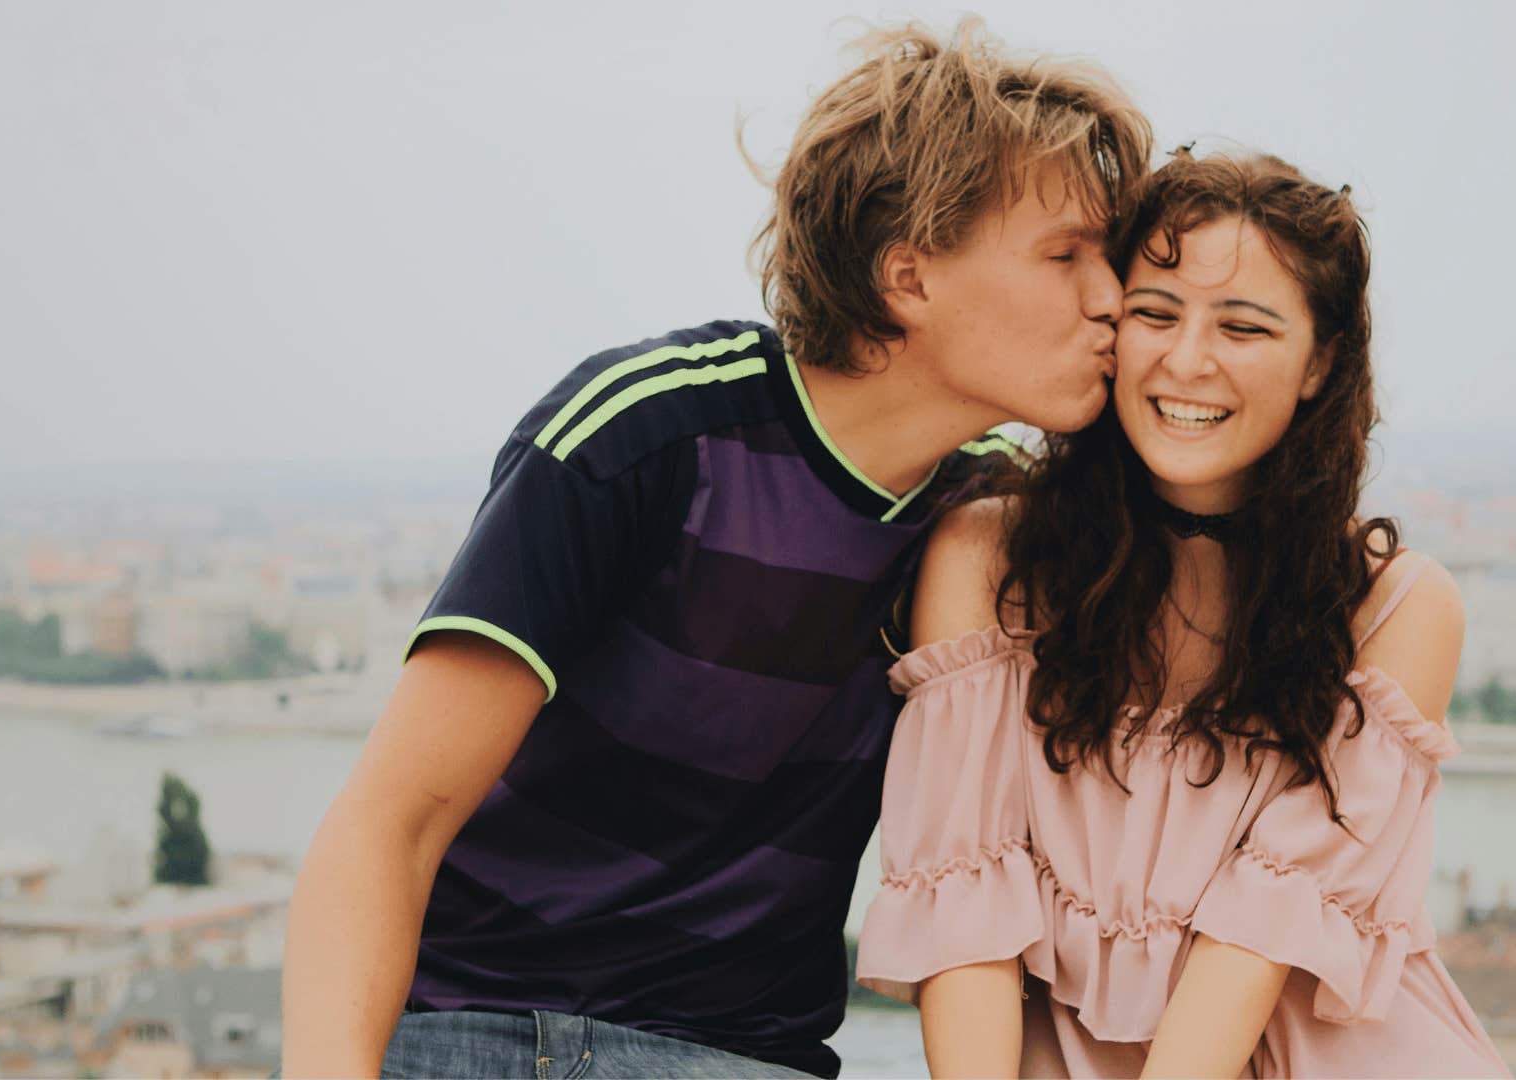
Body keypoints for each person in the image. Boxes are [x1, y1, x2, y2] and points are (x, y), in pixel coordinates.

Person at [279, 20, 1150, 1079]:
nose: (1112, 299)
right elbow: (393, 818)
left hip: (750, 1056)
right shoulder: (648, 434)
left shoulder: (986, 533)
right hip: (492, 1028)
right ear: (907, 279)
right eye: (1066, 256)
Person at [856, 150, 1512, 1078]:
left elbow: (1253, 944)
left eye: (1243, 327)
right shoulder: (988, 558)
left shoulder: (1396, 604)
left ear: (1320, 361)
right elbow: (964, 918)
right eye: (1155, 314)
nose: (1187, 360)